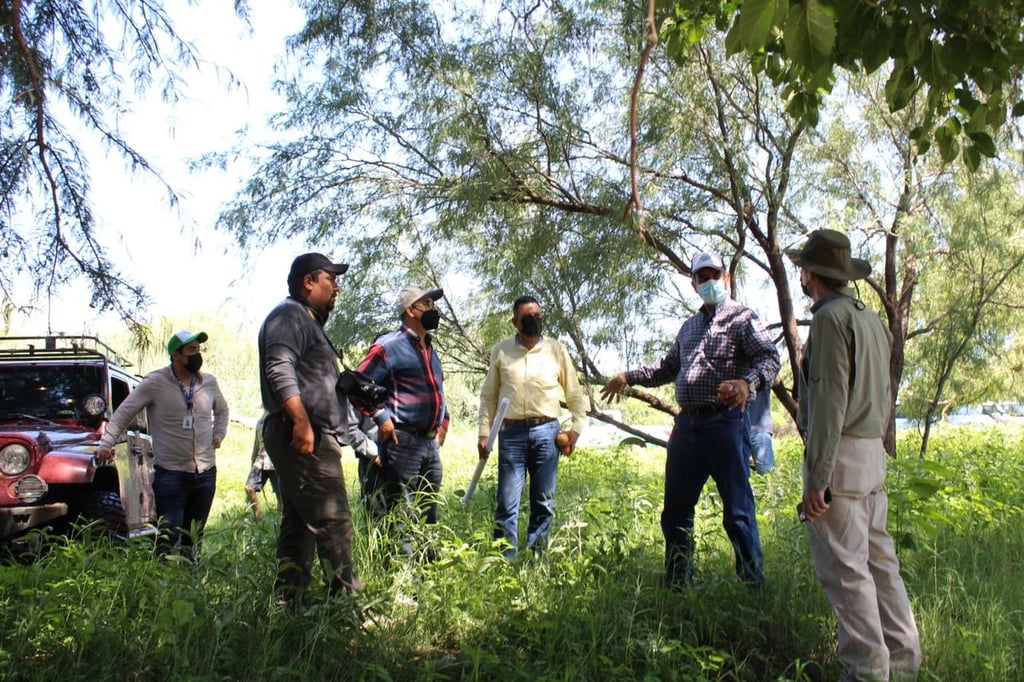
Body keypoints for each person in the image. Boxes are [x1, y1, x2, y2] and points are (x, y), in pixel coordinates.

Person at [786, 229, 921, 681]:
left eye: (802, 270)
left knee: (849, 575)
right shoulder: (870, 320)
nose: (801, 277)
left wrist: (816, 479)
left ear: (811, 275)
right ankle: (903, 663)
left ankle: (867, 671)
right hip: (871, 459)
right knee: (882, 568)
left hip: (839, 460)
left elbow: (828, 406)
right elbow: (882, 398)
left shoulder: (829, 321)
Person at [601, 251, 779, 587]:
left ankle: (753, 587)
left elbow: (769, 357)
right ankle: (678, 583)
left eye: (714, 274)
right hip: (687, 427)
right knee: (676, 511)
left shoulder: (742, 318)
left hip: (726, 423)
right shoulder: (689, 326)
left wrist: (746, 383)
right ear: (694, 283)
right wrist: (628, 376)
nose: (709, 281)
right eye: (702, 276)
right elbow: (667, 369)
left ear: (725, 278)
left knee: (738, 512)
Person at [258, 252, 363, 601]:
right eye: (330, 279)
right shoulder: (289, 316)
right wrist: (302, 422)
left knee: (300, 522)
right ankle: (349, 606)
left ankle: (289, 602)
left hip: (310, 434)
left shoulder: (305, 320)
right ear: (308, 282)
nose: (336, 287)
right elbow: (279, 368)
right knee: (334, 522)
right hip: (304, 436)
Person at [97, 330, 228, 554]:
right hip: (172, 474)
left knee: (194, 537)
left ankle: (190, 582)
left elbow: (223, 410)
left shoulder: (209, 383)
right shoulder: (155, 382)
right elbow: (124, 413)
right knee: (169, 535)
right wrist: (106, 443)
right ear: (176, 355)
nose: (197, 355)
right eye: (191, 350)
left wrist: (219, 433)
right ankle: (160, 583)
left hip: (205, 471)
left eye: (198, 349)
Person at [477, 295, 588, 558]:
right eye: (528, 317)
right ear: (516, 321)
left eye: (538, 315)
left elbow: (574, 394)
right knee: (506, 503)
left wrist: (575, 429)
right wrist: (483, 433)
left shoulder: (556, 350)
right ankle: (504, 562)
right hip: (511, 434)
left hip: (547, 433)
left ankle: (537, 559)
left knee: (543, 502)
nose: (534, 320)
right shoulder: (501, 351)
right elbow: (488, 396)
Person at [356, 285, 450, 560]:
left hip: (429, 444)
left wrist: (443, 422)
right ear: (410, 310)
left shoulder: (431, 350)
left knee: (428, 510)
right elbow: (355, 384)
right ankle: (403, 580)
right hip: (402, 442)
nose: (434, 310)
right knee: (403, 513)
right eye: (427, 304)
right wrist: (382, 418)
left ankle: (429, 573)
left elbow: (438, 391)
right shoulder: (388, 346)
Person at [345, 399, 385, 520]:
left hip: (406, 457)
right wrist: (375, 453)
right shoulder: (359, 386)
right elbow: (350, 428)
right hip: (373, 461)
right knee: (377, 517)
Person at [245, 412, 281, 519]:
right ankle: (258, 517)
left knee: (280, 494)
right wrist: (253, 459)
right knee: (249, 487)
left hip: (276, 461)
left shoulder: (279, 416)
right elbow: (257, 442)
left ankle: (281, 519)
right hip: (261, 460)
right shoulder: (261, 420)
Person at [747, 384, 775, 475]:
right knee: (738, 476)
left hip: (760, 429)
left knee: (766, 472)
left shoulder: (764, 371)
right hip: (737, 429)